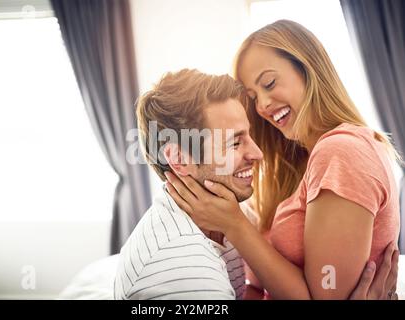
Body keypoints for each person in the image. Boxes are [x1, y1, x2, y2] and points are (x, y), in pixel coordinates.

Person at [164, 20, 401, 300]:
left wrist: (234, 224)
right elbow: (256, 285)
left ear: (308, 68)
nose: (262, 105)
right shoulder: (304, 161)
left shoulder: (340, 152)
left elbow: (324, 297)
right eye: (252, 97)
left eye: (269, 83)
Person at [115, 68, 397, 300]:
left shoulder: (228, 220)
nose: (258, 154)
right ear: (178, 158)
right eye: (235, 142)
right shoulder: (181, 268)